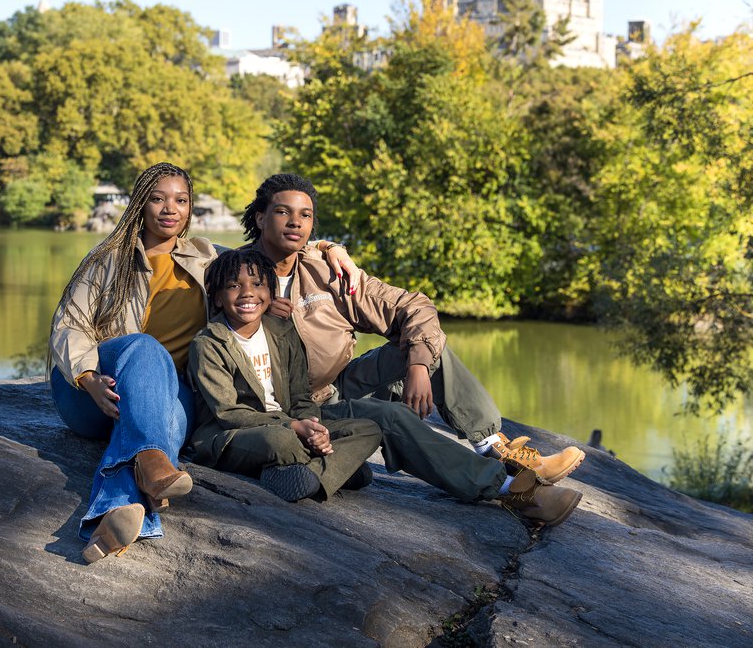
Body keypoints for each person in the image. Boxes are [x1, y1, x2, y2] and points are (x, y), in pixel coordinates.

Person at [49, 163, 360, 563]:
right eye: (158, 199)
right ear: (141, 204)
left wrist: (329, 248)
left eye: (181, 200)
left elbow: (270, 249)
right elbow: (68, 326)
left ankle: (121, 511)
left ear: (190, 207)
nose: (169, 209)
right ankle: (150, 461)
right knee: (145, 348)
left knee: (178, 418)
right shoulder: (109, 259)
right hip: (94, 390)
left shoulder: (205, 256)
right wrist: (88, 377)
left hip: (164, 391)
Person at [240, 173, 586, 527]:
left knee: (423, 343)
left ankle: (497, 448)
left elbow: (414, 307)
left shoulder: (328, 273)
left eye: (306, 215)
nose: (296, 222)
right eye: (284, 212)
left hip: (331, 389)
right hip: (285, 407)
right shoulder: (231, 276)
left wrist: (418, 366)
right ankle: (510, 490)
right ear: (261, 217)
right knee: (392, 418)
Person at [188, 249, 382, 501]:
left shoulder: (282, 331)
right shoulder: (208, 343)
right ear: (217, 298)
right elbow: (228, 413)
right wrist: (292, 426)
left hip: (292, 424)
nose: (247, 292)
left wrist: (313, 428)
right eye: (234, 285)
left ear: (270, 294)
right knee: (281, 441)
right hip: (232, 434)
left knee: (368, 429)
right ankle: (336, 469)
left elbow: (301, 396)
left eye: (258, 284)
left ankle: (305, 474)